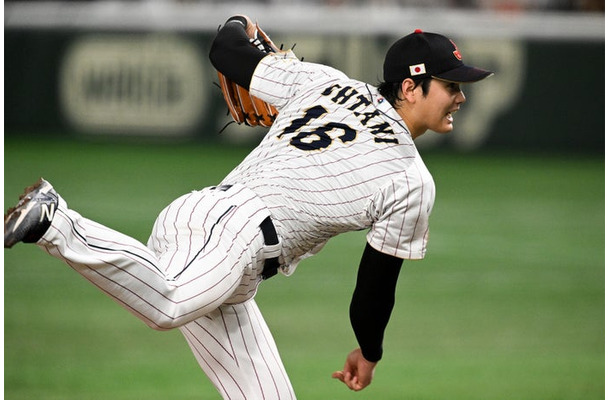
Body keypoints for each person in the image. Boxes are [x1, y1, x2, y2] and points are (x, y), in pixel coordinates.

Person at [4, 15, 492, 399]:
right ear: (410, 87)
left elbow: (226, 49)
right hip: (234, 234)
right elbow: (373, 291)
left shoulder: (325, 82)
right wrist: (370, 350)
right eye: (451, 85)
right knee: (167, 303)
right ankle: (55, 221)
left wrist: (240, 22)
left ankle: (57, 223)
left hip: (221, 243)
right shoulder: (410, 179)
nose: (460, 97)